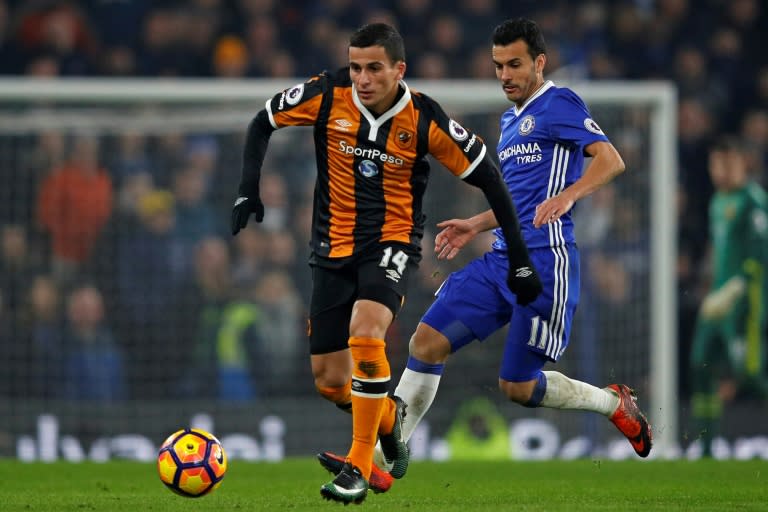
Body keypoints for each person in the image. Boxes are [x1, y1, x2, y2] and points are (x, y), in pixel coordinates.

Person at [320, 17, 651, 485]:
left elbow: (611, 160)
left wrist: (570, 195)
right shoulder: (511, 120)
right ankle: (382, 456)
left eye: (515, 64)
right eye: (498, 66)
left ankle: (614, 403)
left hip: (546, 263)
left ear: (539, 62)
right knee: (425, 342)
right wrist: (475, 224)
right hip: (501, 260)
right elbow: (517, 199)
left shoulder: (560, 102)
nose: (505, 75)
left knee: (517, 387)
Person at [231, 22, 542, 504]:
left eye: (374, 68)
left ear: (399, 69)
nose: (362, 78)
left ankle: (358, 467)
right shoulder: (327, 93)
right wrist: (248, 188)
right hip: (330, 249)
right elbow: (262, 121)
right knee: (332, 384)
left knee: (367, 332)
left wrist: (520, 259)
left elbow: (492, 180)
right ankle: (389, 418)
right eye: (356, 67)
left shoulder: (424, 118)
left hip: (391, 244)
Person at [689, 136, 768, 457]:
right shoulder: (717, 202)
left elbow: (758, 258)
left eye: (728, 164)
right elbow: (719, 253)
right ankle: (707, 449)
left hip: (743, 305)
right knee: (700, 364)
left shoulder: (753, 202)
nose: (721, 171)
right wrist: (711, 288)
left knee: (749, 375)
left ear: (742, 165)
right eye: (716, 164)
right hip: (716, 303)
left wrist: (733, 291)